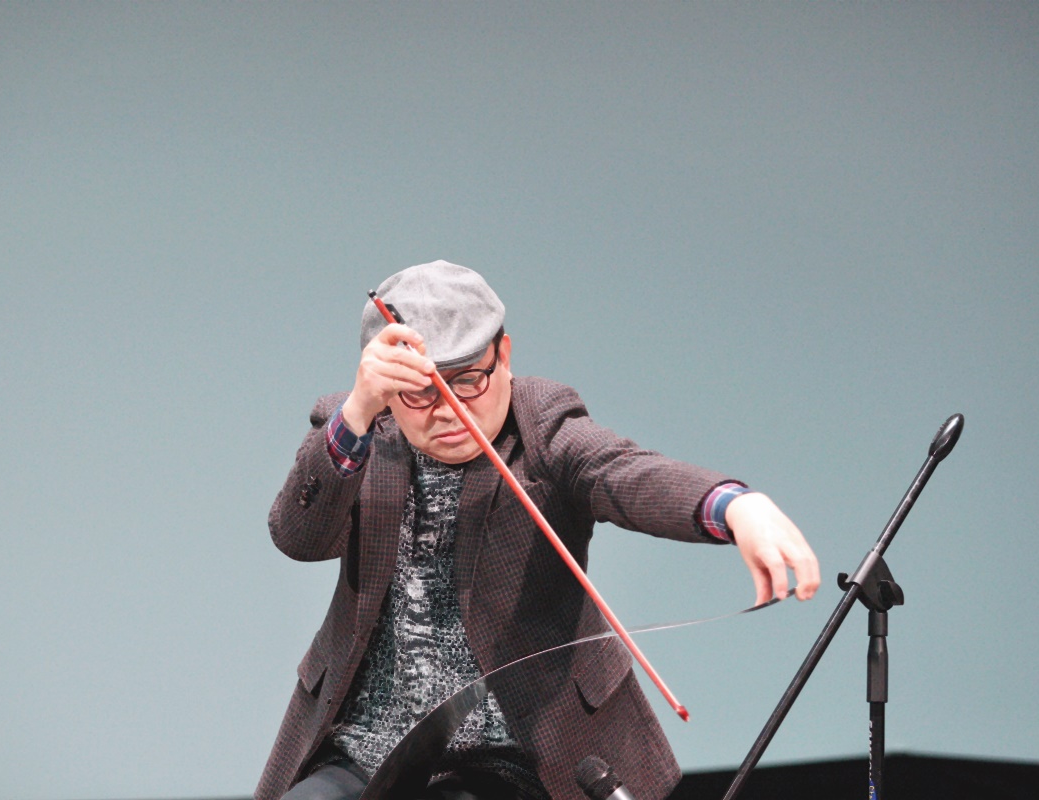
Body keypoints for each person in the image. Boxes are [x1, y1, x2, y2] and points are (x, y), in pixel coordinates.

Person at [256, 261, 819, 800]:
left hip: (512, 751)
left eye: (468, 381)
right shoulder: (357, 426)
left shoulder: (541, 424)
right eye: (420, 392)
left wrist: (734, 507)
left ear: (503, 355)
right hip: (366, 746)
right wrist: (357, 413)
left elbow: (622, 472)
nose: (447, 410)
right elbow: (299, 538)